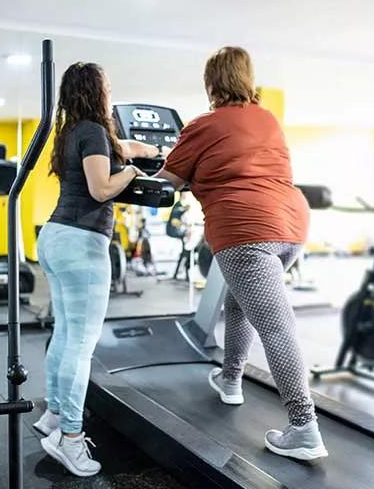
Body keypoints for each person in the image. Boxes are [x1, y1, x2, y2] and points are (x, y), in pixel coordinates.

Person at [154, 46, 327, 461]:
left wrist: (127, 175)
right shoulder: (267, 119)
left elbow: (168, 181)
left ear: (211, 84)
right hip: (292, 227)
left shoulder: (204, 125)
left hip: (246, 231)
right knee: (240, 305)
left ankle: (304, 428)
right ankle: (230, 381)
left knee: (276, 325)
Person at [33, 62, 161, 477]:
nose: (111, 91)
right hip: (80, 244)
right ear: (95, 91)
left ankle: (53, 415)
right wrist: (132, 172)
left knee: (65, 334)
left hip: (55, 237)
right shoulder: (91, 131)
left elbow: (116, 146)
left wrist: (144, 150)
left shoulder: (75, 131)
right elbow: (101, 188)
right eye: (107, 86)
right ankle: (70, 438)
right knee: (80, 346)